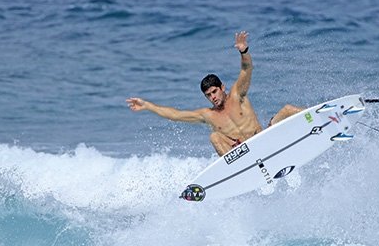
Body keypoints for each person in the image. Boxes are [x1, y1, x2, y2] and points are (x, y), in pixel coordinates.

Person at [127, 31, 302, 156]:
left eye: (214, 92)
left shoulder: (237, 95)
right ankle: (235, 171)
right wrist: (148, 106)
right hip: (242, 154)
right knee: (214, 136)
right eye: (208, 95)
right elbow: (175, 115)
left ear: (222, 87)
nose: (213, 97)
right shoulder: (208, 115)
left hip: (262, 139)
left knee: (287, 109)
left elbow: (246, 69)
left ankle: (326, 120)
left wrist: (244, 51)